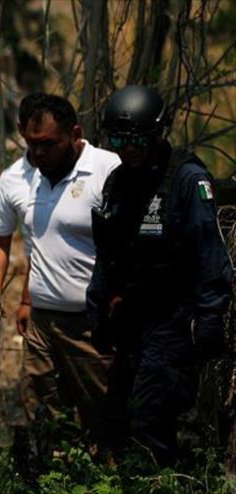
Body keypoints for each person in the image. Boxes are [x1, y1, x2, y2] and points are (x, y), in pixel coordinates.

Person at [88, 85, 232, 464]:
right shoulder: (118, 182)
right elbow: (107, 253)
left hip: (174, 317)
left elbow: (208, 253)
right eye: (118, 139)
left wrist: (210, 316)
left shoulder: (187, 179)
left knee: (153, 417)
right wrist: (98, 306)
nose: (127, 147)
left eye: (137, 139)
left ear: (158, 133)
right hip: (132, 317)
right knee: (117, 420)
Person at [1, 94, 121, 444]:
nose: (39, 153)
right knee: (42, 409)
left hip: (91, 325)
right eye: (32, 144)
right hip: (41, 323)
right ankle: (50, 475)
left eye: (49, 144)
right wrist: (25, 300)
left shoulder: (108, 170)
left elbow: (126, 245)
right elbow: (42, 244)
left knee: (100, 411)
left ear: (75, 134)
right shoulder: (26, 178)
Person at [0, 93, 44, 294]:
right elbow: (1, 245)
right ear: (21, 129)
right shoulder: (10, 179)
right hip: (37, 291)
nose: (41, 150)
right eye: (35, 139)